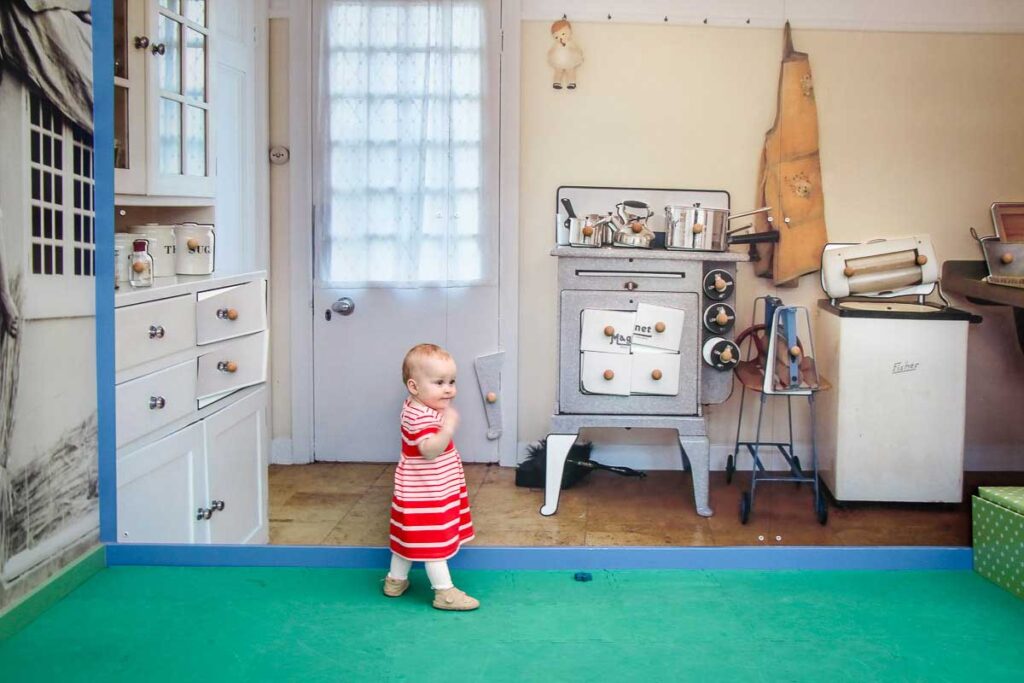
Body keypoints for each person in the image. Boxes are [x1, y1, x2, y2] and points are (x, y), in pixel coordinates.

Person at [383, 343, 478, 611]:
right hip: (425, 493)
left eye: (452, 381)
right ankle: (444, 592)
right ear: (414, 387)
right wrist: (447, 428)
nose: (449, 389)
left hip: (424, 489)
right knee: (432, 542)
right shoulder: (419, 416)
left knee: (409, 537)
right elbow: (429, 450)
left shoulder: (421, 407)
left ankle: (396, 580)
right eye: (439, 383)